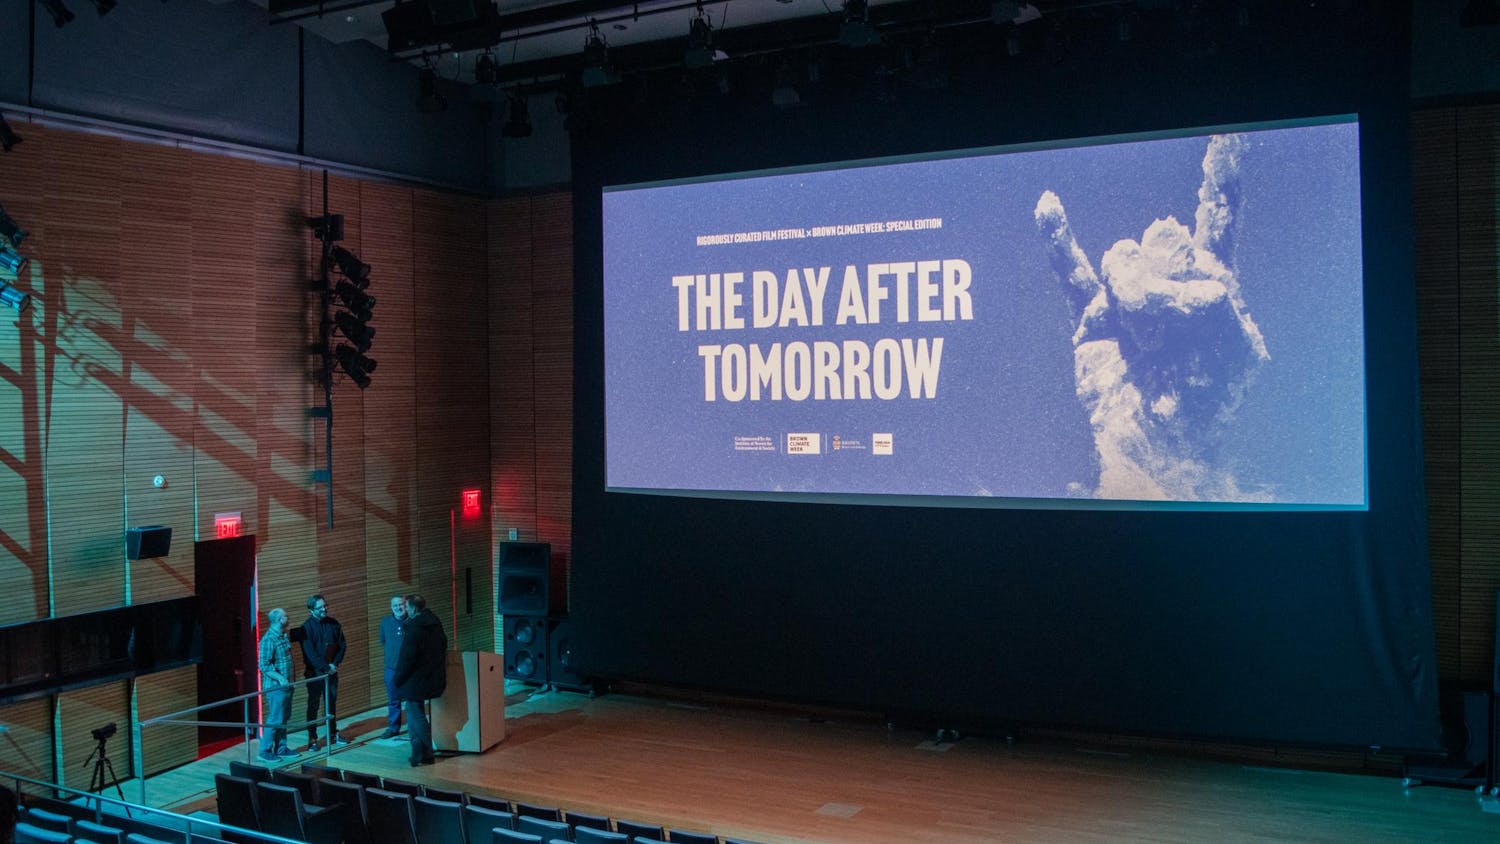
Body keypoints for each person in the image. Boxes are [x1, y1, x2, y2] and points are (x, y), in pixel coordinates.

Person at [392, 594, 446, 767]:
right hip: (431, 676)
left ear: (414, 609)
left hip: (415, 679)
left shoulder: (415, 628)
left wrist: (397, 678)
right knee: (413, 711)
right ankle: (417, 750)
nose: (405, 610)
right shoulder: (435, 623)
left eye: (406, 607)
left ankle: (427, 752)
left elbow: (407, 658)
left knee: (417, 714)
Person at [300, 594, 348, 749]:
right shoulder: (305, 628)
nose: (324, 609)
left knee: (331, 704)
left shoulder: (333, 623)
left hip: (332, 671)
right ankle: (312, 738)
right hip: (314, 674)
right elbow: (310, 653)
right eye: (319, 607)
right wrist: (326, 667)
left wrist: (334, 664)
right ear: (311, 610)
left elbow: (342, 645)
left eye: (325, 606)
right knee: (313, 705)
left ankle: (333, 733)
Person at [257, 607, 296, 760]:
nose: (288, 618)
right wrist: (280, 678)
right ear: (280, 620)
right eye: (285, 616)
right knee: (275, 719)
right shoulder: (268, 639)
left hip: (287, 685)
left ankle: (281, 748)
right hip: (276, 687)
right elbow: (264, 665)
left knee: (283, 718)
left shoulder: (282, 636)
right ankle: (265, 751)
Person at [378, 595, 406, 739]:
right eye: (395, 605)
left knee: (413, 700)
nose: (398, 608)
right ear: (391, 608)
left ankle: (415, 728)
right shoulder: (385, 622)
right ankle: (393, 728)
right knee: (393, 700)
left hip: (409, 669)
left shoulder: (412, 622)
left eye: (400, 604)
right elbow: (383, 641)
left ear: (405, 605)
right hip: (391, 668)